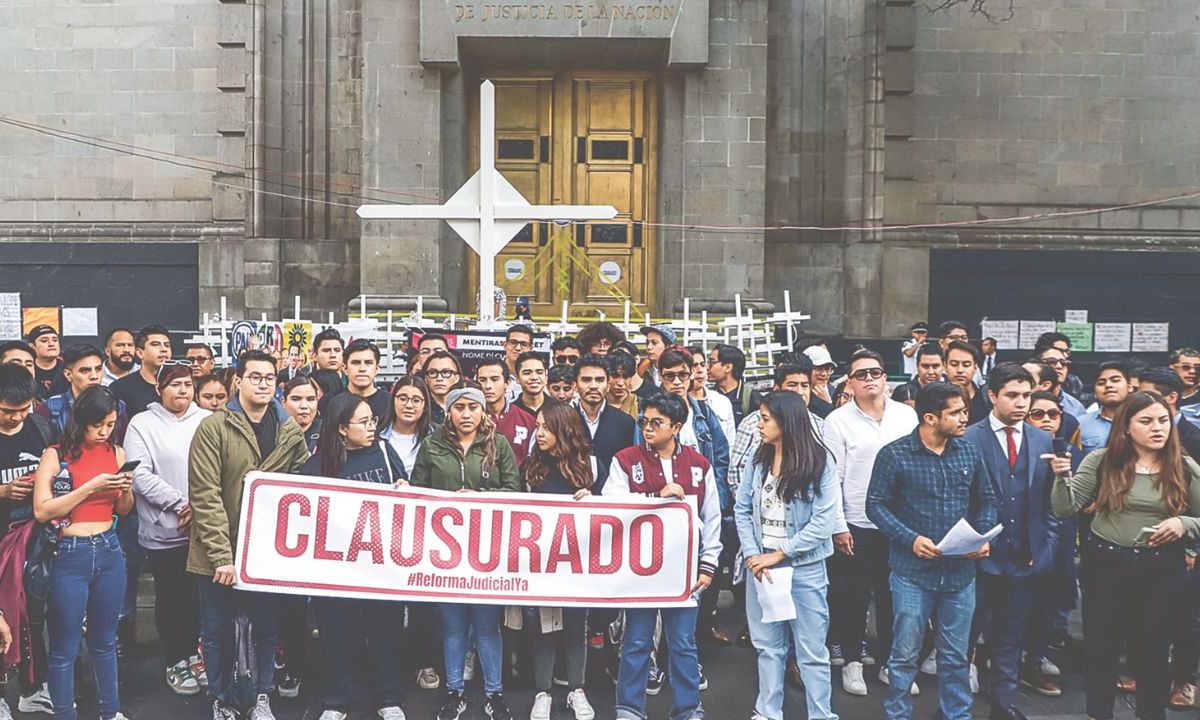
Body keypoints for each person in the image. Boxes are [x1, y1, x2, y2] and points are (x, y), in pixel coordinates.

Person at [1051, 391, 1200, 720]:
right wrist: (1063, 476)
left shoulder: (1184, 466)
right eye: (1146, 421)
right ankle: (1098, 713)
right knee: (1102, 648)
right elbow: (1064, 508)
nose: (1157, 428)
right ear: (1126, 427)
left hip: (1162, 568)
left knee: (1154, 652)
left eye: (1163, 420)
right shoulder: (1102, 460)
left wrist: (1184, 522)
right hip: (1107, 564)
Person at [188, 349, 312, 720]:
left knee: (264, 626)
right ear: (237, 382)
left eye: (269, 378)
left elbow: (304, 487)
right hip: (218, 551)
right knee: (216, 628)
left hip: (265, 551)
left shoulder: (289, 429)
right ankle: (222, 698)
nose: (262, 384)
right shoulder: (214, 427)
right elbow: (205, 495)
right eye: (254, 377)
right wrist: (221, 555)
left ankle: (260, 696)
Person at [866, 382, 998, 720]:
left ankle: (958, 715)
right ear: (929, 417)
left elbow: (986, 499)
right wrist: (910, 538)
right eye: (955, 413)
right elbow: (875, 505)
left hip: (960, 574)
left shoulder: (968, 451)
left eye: (965, 410)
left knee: (955, 656)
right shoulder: (895, 454)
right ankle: (898, 713)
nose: (964, 418)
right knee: (904, 653)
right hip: (912, 572)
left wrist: (982, 536)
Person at [602, 393, 722, 720]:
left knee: (682, 643)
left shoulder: (699, 465)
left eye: (657, 422)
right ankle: (628, 708)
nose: (648, 428)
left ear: (677, 427)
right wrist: (655, 496)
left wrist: (708, 566)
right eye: (644, 421)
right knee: (637, 641)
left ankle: (687, 709)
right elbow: (612, 505)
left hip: (684, 569)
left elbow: (712, 519)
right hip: (641, 569)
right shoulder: (625, 459)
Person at [410, 381, 520, 720]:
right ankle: (454, 691)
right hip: (445, 554)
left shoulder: (498, 444)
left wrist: (481, 497)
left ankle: (494, 693)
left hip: (488, 550)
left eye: (473, 407)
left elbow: (515, 489)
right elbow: (418, 491)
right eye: (460, 408)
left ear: (482, 410)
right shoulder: (432, 444)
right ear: (449, 411)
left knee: (487, 627)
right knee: (454, 626)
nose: (467, 414)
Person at [961, 363, 1059, 720]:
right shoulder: (969, 438)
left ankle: (1004, 705)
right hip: (978, 556)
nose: (1021, 403)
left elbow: (1049, 503)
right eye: (1012, 395)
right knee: (964, 637)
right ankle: (955, 707)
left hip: (1024, 556)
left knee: (1010, 636)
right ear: (992, 396)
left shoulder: (1041, 438)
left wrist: (1043, 547)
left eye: (1026, 395)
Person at [301, 393, 408, 720]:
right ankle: (336, 701)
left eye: (372, 420)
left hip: (381, 567)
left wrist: (405, 486)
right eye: (363, 422)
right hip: (338, 571)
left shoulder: (386, 453)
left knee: (385, 634)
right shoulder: (319, 464)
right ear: (342, 429)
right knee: (337, 637)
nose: (371, 427)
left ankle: (388, 698)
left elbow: (406, 491)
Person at [734, 392, 840, 720]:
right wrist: (754, 555)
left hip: (803, 566)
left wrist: (779, 554)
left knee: (811, 650)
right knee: (768, 646)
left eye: (766, 418)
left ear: (787, 421)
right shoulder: (758, 458)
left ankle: (821, 714)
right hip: (762, 563)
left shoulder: (820, 461)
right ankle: (767, 712)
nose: (759, 425)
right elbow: (741, 508)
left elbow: (823, 523)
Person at [32, 385, 135, 720]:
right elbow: (43, 510)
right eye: (99, 425)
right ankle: (65, 713)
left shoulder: (115, 452)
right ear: (82, 420)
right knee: (65, 645)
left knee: (105, 641)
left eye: (110, 424)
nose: (105, 431)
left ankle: (111, 711)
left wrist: (123, 488)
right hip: (68, 551)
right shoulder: (56, 454)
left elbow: (124, 508)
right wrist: (91, 487)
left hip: (108, 547)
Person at [823, 349, 919, 694]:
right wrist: (839, 525)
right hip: (857, 522)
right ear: (850, 382)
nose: (869, 379)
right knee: (854, 596)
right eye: (860, 374)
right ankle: (851, 662)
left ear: (885, 377)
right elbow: (832, 478)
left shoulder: (906, 416)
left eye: (874, 372)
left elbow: (915, 467)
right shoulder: (838, 421)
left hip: (900, 524)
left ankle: (891, 664)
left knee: (895, 598)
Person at [124, 363, 210, 696]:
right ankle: (176, 659)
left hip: (204, 529)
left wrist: (201, 509)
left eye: (188, 385)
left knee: (200, 599)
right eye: (174, 385)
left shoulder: (206, 419)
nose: (182, 391)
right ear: (160, 388)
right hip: (164, 530)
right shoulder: (141, 424)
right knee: (172, 597)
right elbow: (139, 474)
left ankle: (198, 655)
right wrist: (179, 504)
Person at [522, 402, 598, 720]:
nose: (539, 433)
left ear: (563, 430)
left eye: (546, 428)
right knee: (544, 627)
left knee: (576, 626)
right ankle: (543, 692)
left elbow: (612, 512)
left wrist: (595, 500)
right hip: (543, 562)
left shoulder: (590, 465)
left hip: (578, 562)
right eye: (537, 426)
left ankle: (576, 689)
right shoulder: (532, 467)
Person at [377, 375, 441, 691]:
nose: (409, 404)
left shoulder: (438, 438)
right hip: (384, 531)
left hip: (426, 532)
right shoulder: (376, 437)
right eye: (403, 397)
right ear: (393, 400)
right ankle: (385, 667)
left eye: (416, 399)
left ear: (425, 405)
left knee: (422, 601)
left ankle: (423, 661)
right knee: (386, 603)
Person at [0, 363, 56, 716]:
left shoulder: (41, 426)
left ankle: (32, 688)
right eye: (7, 411)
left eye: (23, 409)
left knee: (33, 617)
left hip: (34, 541)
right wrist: (4, 490)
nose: (15, 417)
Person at [36, 343, 130, 439]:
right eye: (85, 371)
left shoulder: (118, 406)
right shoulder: (50, 408)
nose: (94, 376)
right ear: (68, 375)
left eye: (98, 369)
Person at [573, 353, 635, 493]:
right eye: (586, 380)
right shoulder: (563, 421)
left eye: (599, 380)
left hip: (612, 501)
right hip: (573, 499)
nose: (593, 386)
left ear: (608, 385)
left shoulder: (626, 423)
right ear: (575, 386)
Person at [476, 358, 536, 465]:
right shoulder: (471, 419)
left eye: (494, 379)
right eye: (482, 380)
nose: (487, 386)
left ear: (507, 383)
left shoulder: (528, 420)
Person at [111, 324, 174, 417]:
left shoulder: (181, 385)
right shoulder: (120, 388)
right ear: (140, 353)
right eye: (155, 345)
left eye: (167, 345)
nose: (164, 349)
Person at [1139, 367, 1200, 459]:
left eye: (1148, 396)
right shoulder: (1136, 431)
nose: (1140, 401)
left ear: (1172, 397)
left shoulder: (1195, 440)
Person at [1079, 360, 1132, 455]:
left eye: (1115, 380)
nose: (1108, 385)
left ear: (1130, 387)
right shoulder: (1081, 424)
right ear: (1095, 393)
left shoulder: (1142, 421)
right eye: (1101, 383)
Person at [708, 344, 762, 426]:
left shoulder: (751, 398)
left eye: (712, 362)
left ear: (728, 367)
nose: (707, 367)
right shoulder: (708, 396)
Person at [691, 346, 735, 441]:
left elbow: (731, 442)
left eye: (702, 365)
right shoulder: (679, 404)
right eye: (694, 365)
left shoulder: (722, 402)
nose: (700, 370)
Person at [944, 340, 991, 424]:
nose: (960, 370)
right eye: (954, 364)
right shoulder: (937, 399)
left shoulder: (987, 399)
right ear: (945, 366)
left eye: (966, 365)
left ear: (975, 367)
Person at [343, 339, 390, 421]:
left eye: (368, 363)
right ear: (345, 369)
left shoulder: (391, 402)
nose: (362, 369)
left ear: (377, 369)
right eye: (356, 363)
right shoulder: (331, 401)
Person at [1035, 346, 1088, 418]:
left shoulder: (1075, 407)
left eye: (1063, 363)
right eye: (1051, 362)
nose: (1059, 366)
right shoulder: (1024, 399)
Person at [282, 375, 322, 453]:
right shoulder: (273, 433)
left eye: (310, 399)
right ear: (283, 402)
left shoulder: (328, 432)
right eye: (296, 399)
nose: (304, 406)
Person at [607, 350, 652, 418]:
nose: (620, 383)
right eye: (615, 376)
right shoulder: (596, 405)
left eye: (626, 377)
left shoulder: (643, 406)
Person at [421, 350, 462, 426]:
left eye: (446, 372)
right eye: (433, 373)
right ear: (426, 379)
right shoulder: (420, 409)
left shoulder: (466, 407)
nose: (439, 378)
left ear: (457, 378)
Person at [26, 325, 66, 400]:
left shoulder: (68, 368)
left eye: (55, 340)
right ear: (32, 346)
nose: (51, 344)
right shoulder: (26, 369)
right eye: (44, 341)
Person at [513, 350, 550, 417]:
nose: (534, 377)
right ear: (517, 378)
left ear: (546, 376)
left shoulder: (559, 410)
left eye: (539, 372)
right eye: (527, 373)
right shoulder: (510, 412)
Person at [802, 345, 838, 413]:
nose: (824, 374)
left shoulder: (837, 393)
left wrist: (828, 404)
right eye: (819, 368)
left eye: (827, 368)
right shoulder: (799, 395)